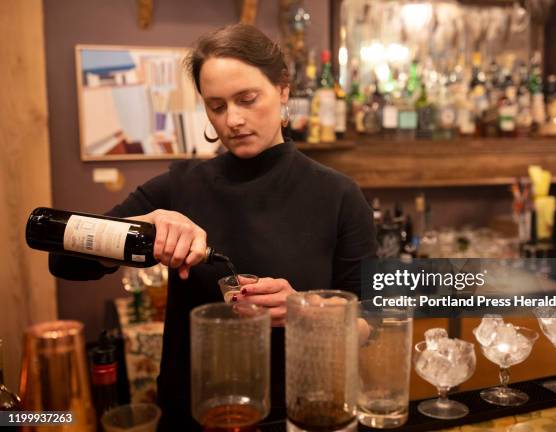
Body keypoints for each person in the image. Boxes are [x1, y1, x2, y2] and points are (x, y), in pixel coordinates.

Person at [49, 24, 376, 430]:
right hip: (194, 416)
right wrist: (143, 226)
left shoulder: (339, 195)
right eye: (217, 106)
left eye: (247, 99)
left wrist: (306, 311)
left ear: (283, 89)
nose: (233, 120)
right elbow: (64, 261)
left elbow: (372, 320)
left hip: (301, 414)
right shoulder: (178, 187)